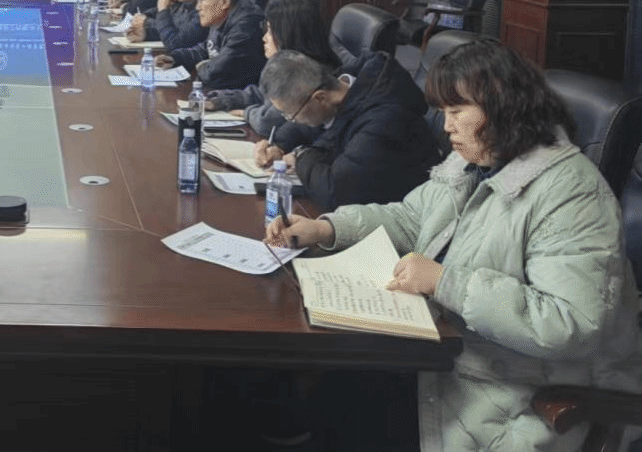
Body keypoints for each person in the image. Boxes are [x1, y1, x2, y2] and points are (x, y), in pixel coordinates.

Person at [266, 39, 642, 452]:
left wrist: (445, 282)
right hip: (450, 358)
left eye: (457, 111)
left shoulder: (571, 193)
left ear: (503, 104)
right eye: (444, 112)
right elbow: (411, 218)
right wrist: (326, 229)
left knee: (345, 409)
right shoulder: (475, 161)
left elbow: (571, 323)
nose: (446, 126)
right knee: (334, 387)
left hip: (516, 394)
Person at [260, 48, 440, 210]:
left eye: (290, 114)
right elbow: (314, 123)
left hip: (403, 213)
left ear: (320, 98)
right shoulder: (339, 87)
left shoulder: (382, 120)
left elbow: (336, 192)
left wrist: (301, 157)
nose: (291, 120)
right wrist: (279, 145)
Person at [207, 0, 340, 164]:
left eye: (270, 32)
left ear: (288, 35)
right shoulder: (284, 67)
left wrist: (246, 113)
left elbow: (267, 122)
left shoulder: (307, 76)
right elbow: (261, 94)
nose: (264, 38)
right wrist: (223, 100)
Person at [156, 0, 265, 91]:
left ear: (224, 2)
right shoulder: (222, 18)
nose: (197, 7)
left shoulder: (246, 27)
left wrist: (202, 67)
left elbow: (216, 73)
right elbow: (206, 49)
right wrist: (175, 58)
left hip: (235, 96)